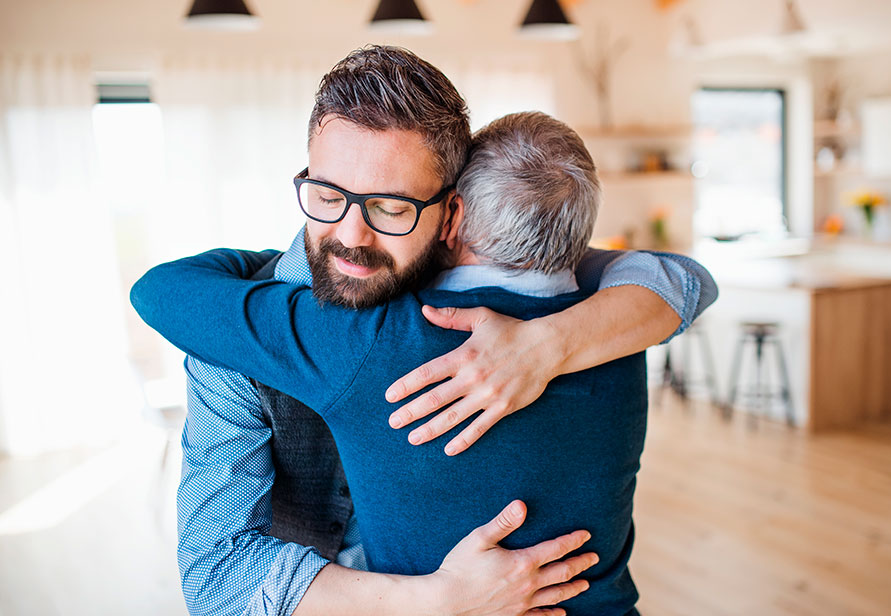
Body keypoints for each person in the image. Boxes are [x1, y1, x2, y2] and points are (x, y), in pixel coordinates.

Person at [159, 46, 717, 616]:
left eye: (391, 207)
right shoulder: (240, 328)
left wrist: (549, 345)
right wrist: (441, 601)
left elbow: (676, 278)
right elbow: (216, 577)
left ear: (450, 214)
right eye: (327, 197)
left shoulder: (584, 307)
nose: (352, 235)